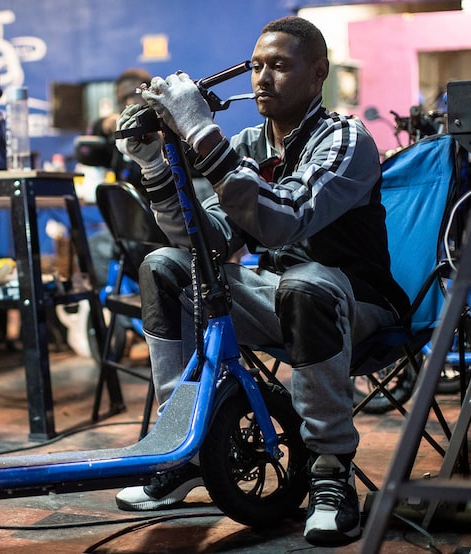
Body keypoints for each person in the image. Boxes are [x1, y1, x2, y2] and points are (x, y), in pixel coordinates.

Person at [112, 16, 410, 546]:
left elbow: (285, 219)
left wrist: (203, 134)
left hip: (356, 306)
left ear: (318, 73)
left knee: (307, 282)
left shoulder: (345, 137)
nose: (262, 79)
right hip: (281, 296)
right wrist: (155, 164)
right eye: (256, 67)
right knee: (165, 267)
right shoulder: (250, 142)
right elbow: (204, 238)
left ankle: (328, 470)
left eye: (279, 66)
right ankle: (186, 445)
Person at [74, 67, 153, 187]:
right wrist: (103, 126)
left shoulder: (169, 130)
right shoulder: (120, 141)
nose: (129, 102)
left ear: (150, 93)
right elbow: (84, 154)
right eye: (122, 99)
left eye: (134, 94)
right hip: (128, 204)